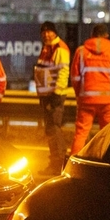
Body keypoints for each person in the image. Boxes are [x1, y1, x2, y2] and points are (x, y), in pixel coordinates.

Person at [70, 23, 110, 155]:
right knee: (108, 134)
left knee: (81, 134)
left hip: (86, 100)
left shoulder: (81, 52)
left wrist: (79, 95)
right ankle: (107, 161)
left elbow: (75, 78)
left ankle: (73, 161)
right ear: (106, 36)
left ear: (92, 35)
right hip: (107, 101)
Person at [35, 21, 71, 174]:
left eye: (49, 31)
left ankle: (58, 164)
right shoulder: (47, 48)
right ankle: (56, 163)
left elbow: (63, 72)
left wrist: (56, 93)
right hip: (46, 95)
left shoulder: (59, 48)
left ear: (55, 32)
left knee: (53, 129)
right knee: (50, 129)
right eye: (43, 32)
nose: (46, 35)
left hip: (54, 95)